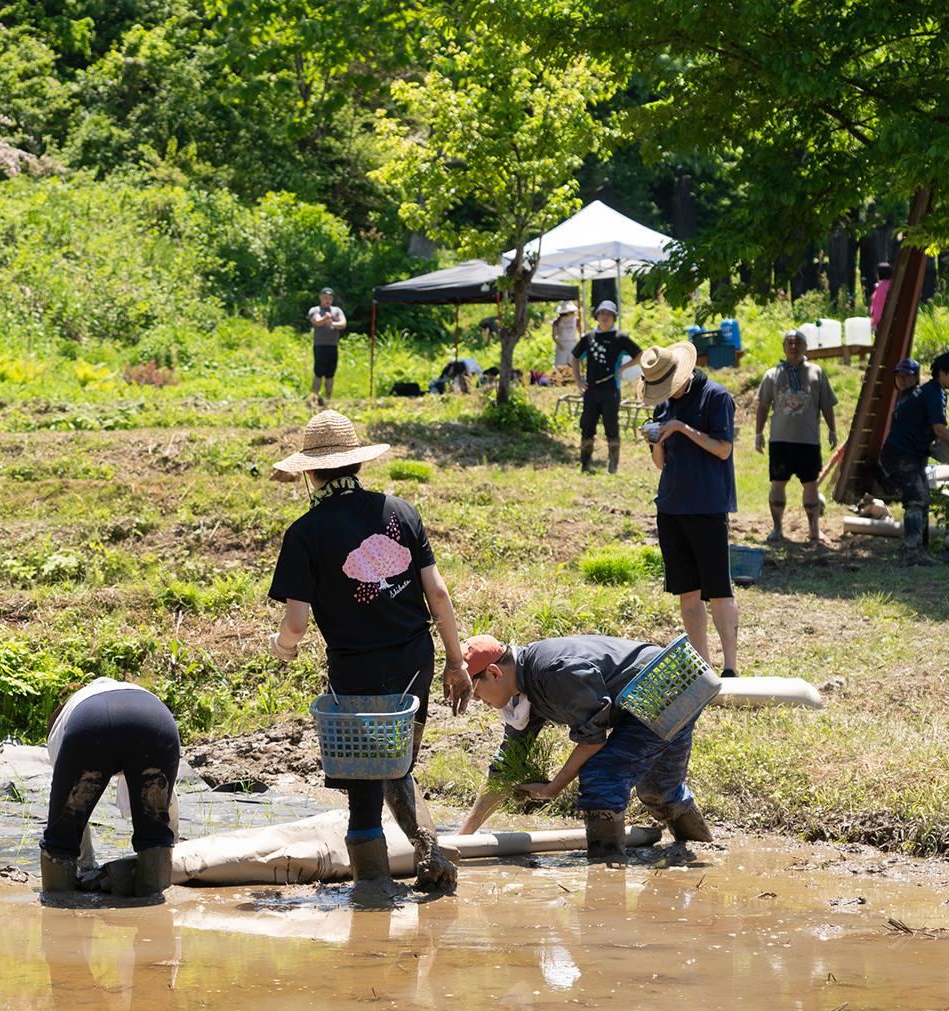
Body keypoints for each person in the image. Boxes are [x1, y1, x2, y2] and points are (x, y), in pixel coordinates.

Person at [266, 410, 469, 896]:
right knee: (397, 762)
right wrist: (456, 661)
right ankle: (429, 854)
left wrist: (283, 647)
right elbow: (437, 594)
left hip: (355, 667)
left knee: (364, 782)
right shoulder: (400, 512)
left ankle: (374, 891)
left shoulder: (305, 533)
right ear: (357, 465)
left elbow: (296, 622)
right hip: (412, 661)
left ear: (310, 473)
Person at [458, 634, 713, 861]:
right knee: (658, 789)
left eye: (475, 692)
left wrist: (553, 787)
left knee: (602, 774)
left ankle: (605, 869)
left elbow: (593, 740)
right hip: (672, 686)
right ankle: (703, 849)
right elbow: (505, 767)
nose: (478, 700)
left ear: (493, 672)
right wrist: (464, 838)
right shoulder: (523, 692)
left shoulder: (553, 671)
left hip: (667, 684)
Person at [642, 341, 740, 676]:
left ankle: (730, 667)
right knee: (687, 593)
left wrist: (682, 428)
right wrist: (656, 441)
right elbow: (660, 464)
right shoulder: (663, 405)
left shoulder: (716, 397)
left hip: (707, 506)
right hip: (670, 507)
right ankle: (703, 667)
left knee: (718, 590)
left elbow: (723, 449)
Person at [38, 678, 180, 900]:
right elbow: (168, 803)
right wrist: (168, 846)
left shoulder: (64, 726)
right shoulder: (124, 692)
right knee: (154, 836)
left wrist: (85, 867)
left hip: (90, 724)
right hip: (156, 719)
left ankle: (58, 903)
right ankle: (153, 899)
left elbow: (71, 811)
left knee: (61, 838)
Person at [880, 351, 949, 564]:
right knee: (916, 499)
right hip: (902, 453)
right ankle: (912, 552)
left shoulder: (924, 391)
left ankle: (920, 549)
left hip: (906, 452)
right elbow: (940, 430)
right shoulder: (934, 392)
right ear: (942, 373)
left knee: (922, 497)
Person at [753, 330, 838, 548]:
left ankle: (814, 530)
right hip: (780, 440)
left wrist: (832, 430)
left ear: (805, 347)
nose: (793, 347)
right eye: (789, 343)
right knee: (777, 483)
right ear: (783, 347)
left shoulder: (816, 372)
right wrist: (758, 433)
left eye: (798, 343)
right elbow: (762, 405)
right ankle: (777, 528)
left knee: (810, 485)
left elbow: (826, 404)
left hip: (808, 440)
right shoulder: (773, 374)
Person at [569, 300, 642, 473]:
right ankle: (585, 464)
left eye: (608, 314)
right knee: (587, 427)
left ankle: (613, 466)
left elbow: (640, 354)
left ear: (614, 317)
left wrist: (623, 368)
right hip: (591, 390)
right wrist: (578, 379)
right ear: (597, 316)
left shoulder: (620, 338)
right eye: (601, 313)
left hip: (611, 390)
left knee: (611, 427)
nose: (604, 317)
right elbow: (575, 357)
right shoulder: (588, 338)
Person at [307, 287, 347, 406]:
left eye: (329, 298)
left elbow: (343, 323)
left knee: (330, 374)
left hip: (332, 346)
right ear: (320, 298)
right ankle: (314, 397)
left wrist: (332, 323)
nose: (327, 300)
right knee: (318, 372)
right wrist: (325, 318)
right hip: (320, 346)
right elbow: (317, 321)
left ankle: (328, 399)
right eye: (325, 297)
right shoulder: (315, 309)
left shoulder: (337, 310)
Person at [551, 300, 580, 373]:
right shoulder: (557, 322)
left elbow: (580, 331)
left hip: (572, 344)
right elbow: (554, 335)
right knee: (560, 366)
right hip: (562, 345)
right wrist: (559, 344)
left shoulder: (576, 320)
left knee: (573, 365)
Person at [869, 262, 892, 329]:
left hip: (882, 323)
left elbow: (879, 307)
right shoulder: (892, 285)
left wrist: (874, 321)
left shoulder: (881, 288)